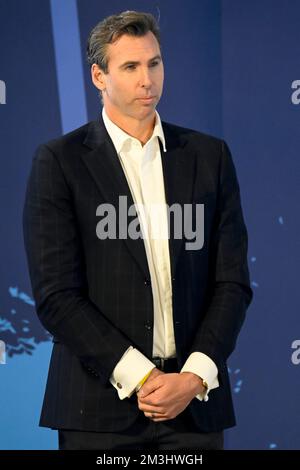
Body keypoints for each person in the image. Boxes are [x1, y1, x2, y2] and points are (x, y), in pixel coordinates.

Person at [23, 11, 252, 450]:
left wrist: (193, 376)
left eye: (154, 63)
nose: (147, 79)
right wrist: (144, 377)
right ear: (98, 76)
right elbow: (56, 295)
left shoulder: (209, 156)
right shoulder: (61, 161)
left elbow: (232, 282)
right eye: (130, 67)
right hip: (98, 414)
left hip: (193, 409)